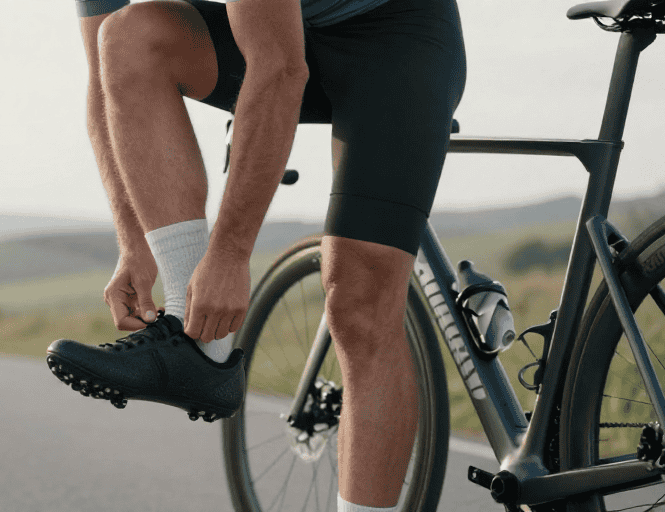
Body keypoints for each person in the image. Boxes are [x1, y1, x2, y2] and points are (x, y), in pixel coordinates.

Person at [43, 0, 465, 510]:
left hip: (395, 37)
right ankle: (198, 348)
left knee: (361, 298)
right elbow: (102, 85)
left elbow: (280, 69)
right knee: (127, 37)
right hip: (276, 33)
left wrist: (229, 254)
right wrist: (134, 242)